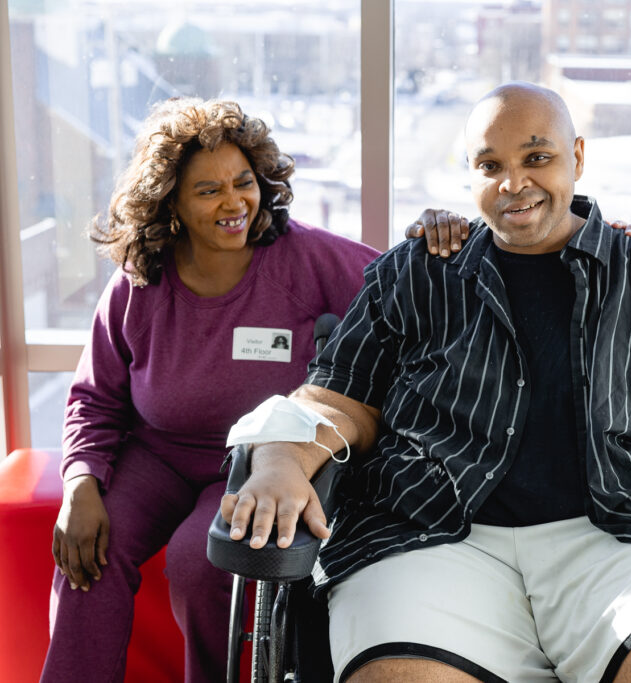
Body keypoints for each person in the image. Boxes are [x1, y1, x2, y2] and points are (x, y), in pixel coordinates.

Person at [221, 82, 631, 682]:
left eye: (536, 159)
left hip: (628, 534)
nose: (512, 183)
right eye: (490, 165)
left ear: (577, 156)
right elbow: (338, 401)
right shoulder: (416, 273)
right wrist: (282, 460)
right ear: (469, 174)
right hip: (431, 536)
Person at [44, 97, 461, 682]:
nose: (235, 202)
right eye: (208, 191)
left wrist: (434, 232)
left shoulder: (304, 257)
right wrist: (80, 484)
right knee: (88, 553)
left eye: (244, 182)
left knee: (203, 563)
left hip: (254, 461)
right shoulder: (140, 280)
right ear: (172, 205)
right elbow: (95, 398)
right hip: (155, 457)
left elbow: (396, 285)